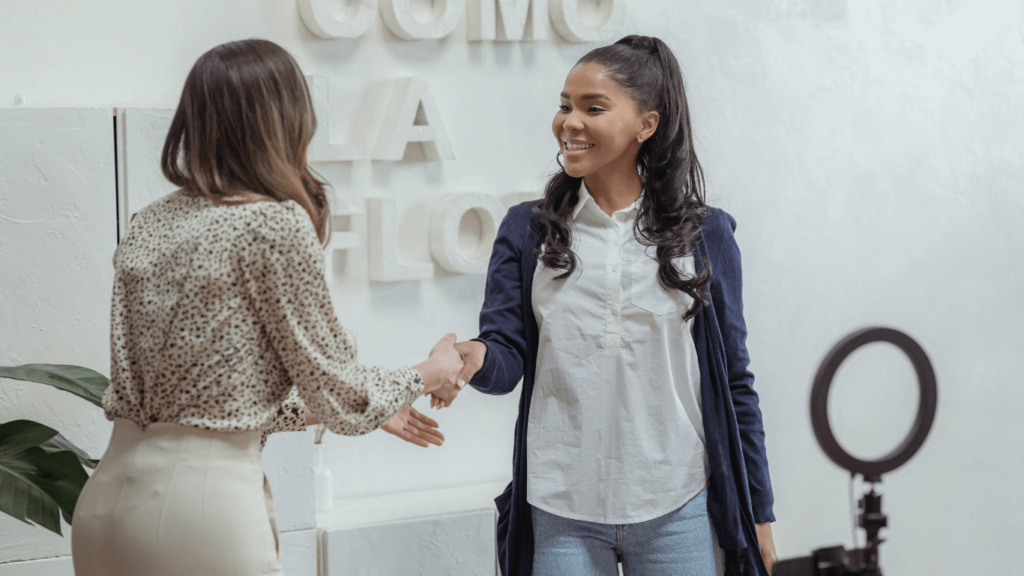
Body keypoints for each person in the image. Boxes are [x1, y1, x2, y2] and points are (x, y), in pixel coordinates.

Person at [71, 39, 464, 576]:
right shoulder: (272, 223)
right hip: (201, 511)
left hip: (106, 505)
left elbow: (203, 402)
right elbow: (343, 394)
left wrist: (341, 409)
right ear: (288, 119)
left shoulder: (153, 220)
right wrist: (432, 370)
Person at [434, 35, 777, 576]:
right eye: (565, 105)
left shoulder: (707, 235)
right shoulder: (527, 230)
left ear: (647, 124)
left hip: (679, 500)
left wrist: (759, 513)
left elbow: (735, 380)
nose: (570, 122)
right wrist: (472, 356)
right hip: (560, 504)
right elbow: (505, 356)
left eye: (593, 108)